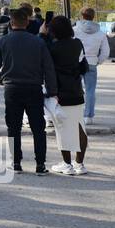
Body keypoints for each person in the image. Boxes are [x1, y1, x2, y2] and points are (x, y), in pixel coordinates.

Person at [0, 6, 57, 175]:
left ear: (11, 23)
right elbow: (48, 68)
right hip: (33, 88)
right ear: (27, 22)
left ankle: (16, 162)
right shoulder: (38, 42)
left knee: (13, 127)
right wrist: (52, 90)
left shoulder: (3, 41)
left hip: (12, 88)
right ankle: (40, 164)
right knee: (38, 128)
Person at [45, 16, 90, 175]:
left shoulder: (52, 48)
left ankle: (66, 164)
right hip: (76, 90)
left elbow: (48, 71)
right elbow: (83, 67)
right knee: (79, 128)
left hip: (59, 94)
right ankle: (80, 163)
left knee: (62, 130)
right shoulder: (77, 43)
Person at [74, 7, 110, 124]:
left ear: (81, 16)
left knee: (74, 89)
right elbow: (105, 51)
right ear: (93, 16)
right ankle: (88, 116)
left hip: (76, 62)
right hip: (91, 62)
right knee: (90, 90)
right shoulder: (100, 33)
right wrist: (98, 61)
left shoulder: (74, 30)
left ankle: (75, 113)